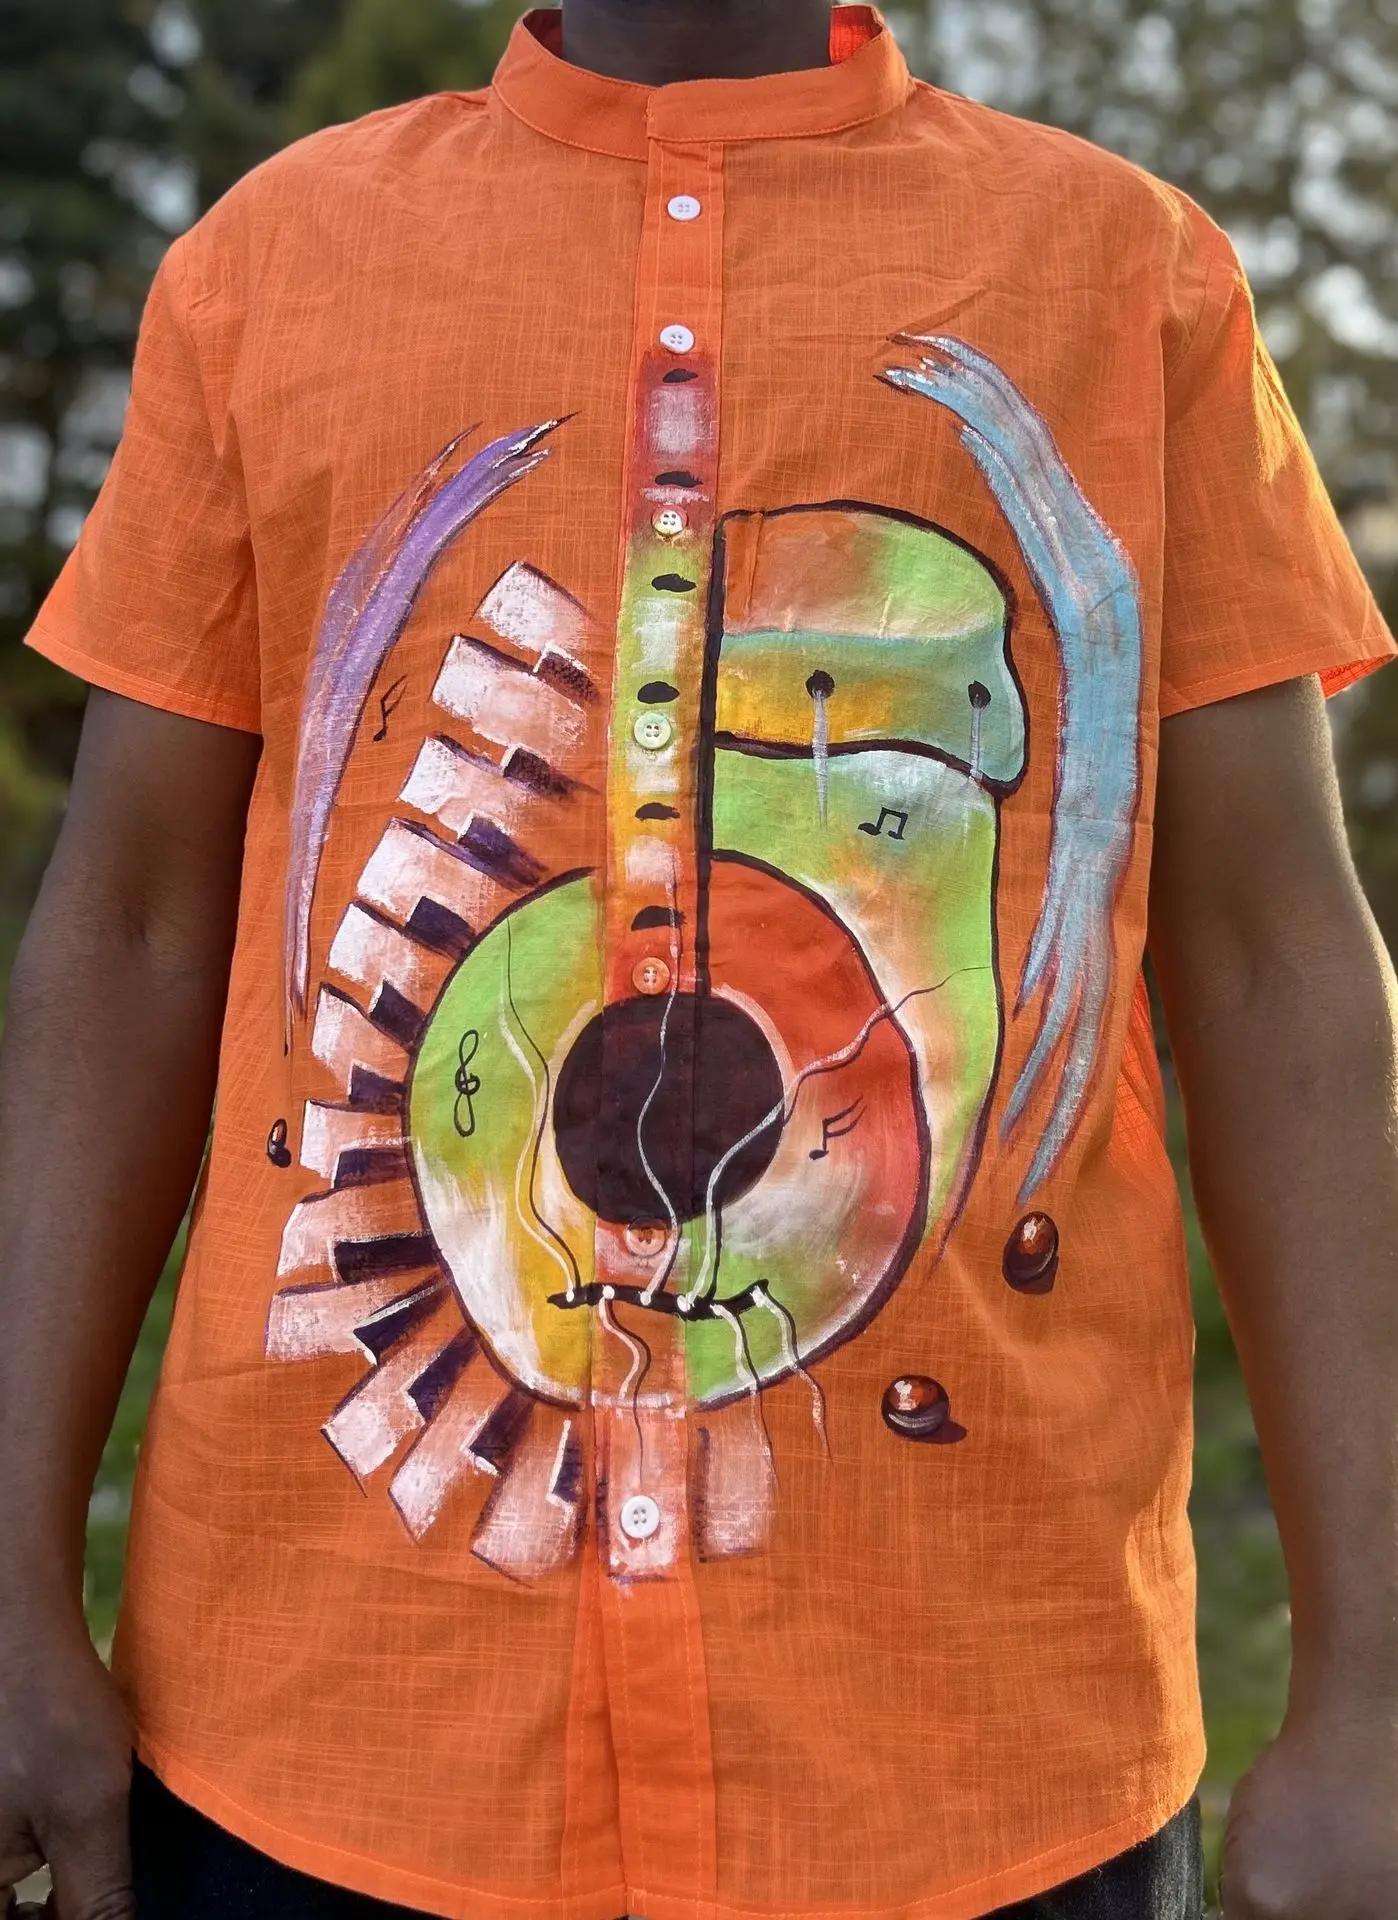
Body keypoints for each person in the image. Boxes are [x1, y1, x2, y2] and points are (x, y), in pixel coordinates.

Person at [3, 0, 1397, 1914]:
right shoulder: (270, 262)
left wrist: (1374, 1688)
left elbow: (1271, 964)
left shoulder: (1128, 274)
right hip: (320, 1747)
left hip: (978, 1758)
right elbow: (134, 933)